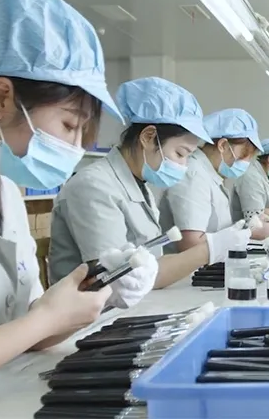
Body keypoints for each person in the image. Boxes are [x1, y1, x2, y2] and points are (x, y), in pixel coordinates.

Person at [0, 0, 149, 409]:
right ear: (2, 99)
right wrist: (42, 320)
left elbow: (22, 331)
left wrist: (93, 297)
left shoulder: (3, 190)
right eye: (69, 125)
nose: (73, 148)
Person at [49, 78, 254, 289]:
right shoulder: (93, 187)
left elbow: (152, 265)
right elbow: (122, 280)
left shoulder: (140, 186)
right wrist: (209, 249)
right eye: (180, 153)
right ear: (148, 137)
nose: (183, 165)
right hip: (96, 317)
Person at [159, 108, 269, 253]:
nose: (246, 162)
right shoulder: (194, 174)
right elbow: (191, 244)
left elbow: (218, 232)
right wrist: (249, 233)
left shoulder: (211, 174)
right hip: (191, 273)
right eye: (245, 154)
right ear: (223, 146)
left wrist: (249, 227)